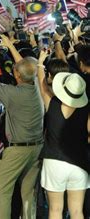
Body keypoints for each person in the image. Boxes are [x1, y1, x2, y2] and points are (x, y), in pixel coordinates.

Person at [0, 49, 44, 218]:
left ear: (17, 75)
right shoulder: (38, 87)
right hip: (37, 149)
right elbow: (28, 68)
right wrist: (9, 44)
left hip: (17, 150)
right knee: (28, 193)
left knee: (1, 191)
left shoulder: (13, 93)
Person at [37, 50, 89, 219]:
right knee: (77, 211)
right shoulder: (86, 108)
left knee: (55, 210)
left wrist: (40, 62)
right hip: (79, 161)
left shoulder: (51, 103)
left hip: (54, 161)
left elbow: (42, 84)